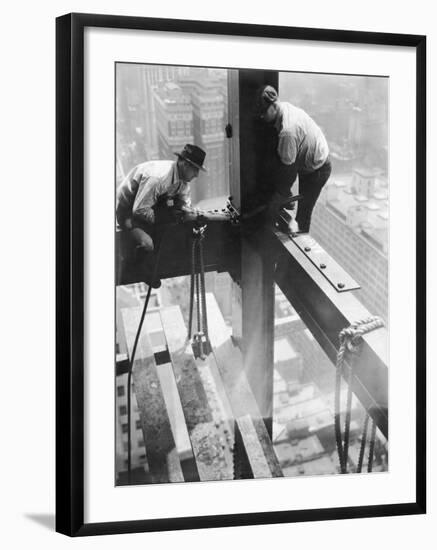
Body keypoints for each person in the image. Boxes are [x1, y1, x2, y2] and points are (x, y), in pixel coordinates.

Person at [116, 144, 207, 287]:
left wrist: (191, 213)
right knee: (148, 243)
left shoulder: (182, 181)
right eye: (195, 169)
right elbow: (139, 211)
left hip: (150, 206)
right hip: (128, 211)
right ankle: (139, 269)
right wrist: (167, 217)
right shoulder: (159, 178)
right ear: (183, 163)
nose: (196, 174)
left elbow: (184, 204)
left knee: (171, 227)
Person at [254, 85, 331, 233]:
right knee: (282, 192)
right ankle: (285, 200)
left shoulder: (288, 132)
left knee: (303, 213)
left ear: (274, 105)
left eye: (263, 112)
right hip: (305, 159)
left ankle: (301, 242)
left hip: (318, 169)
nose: (262, 116)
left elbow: (288, 172)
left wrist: (278, 198)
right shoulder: (284, 108)